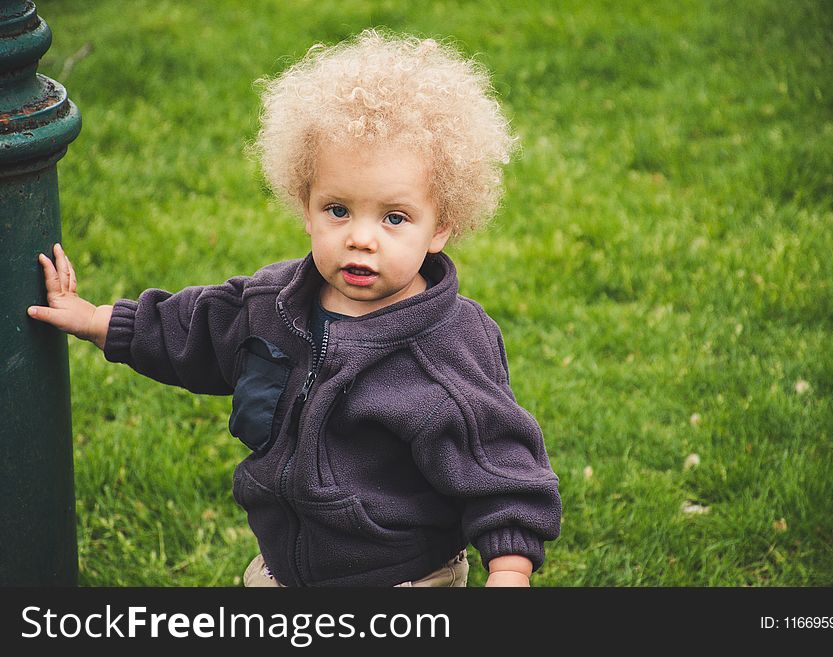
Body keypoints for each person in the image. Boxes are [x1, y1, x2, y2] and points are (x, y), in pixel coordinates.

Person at [26, 29, 561, 587]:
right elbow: (192, 330)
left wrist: (509, 570)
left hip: (402, 578)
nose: (361, 238)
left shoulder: (447, 346)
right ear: (304, 207)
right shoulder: (272, 304)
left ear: (441, 227)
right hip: (281, 571)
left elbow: (500, 467)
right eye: (337, 209)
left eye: (394, 218)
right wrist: (93, 320)